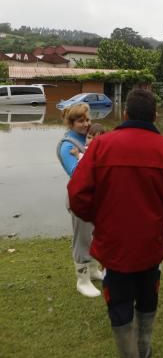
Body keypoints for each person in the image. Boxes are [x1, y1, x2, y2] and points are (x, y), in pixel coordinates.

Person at [68, 88, 163, 358]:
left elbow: (77, 195)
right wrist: (157, 220)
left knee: (119, 303)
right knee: (147, 299)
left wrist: (101, 219)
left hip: (113, 247)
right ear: (154, 116)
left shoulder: (101, 146)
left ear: (125, 114)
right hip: (150, 247)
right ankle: (143, 354)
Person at [57, 103, 103, 297]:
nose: (86, 124)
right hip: (79, 199)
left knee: (92, 236)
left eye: (87, 119)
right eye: (81, 121)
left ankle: (93, 271)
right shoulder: (67, 145)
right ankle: (82, 280)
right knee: (81, 238)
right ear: (71, 123)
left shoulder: (88, 138)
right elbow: (77, 174)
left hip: (94, 198)